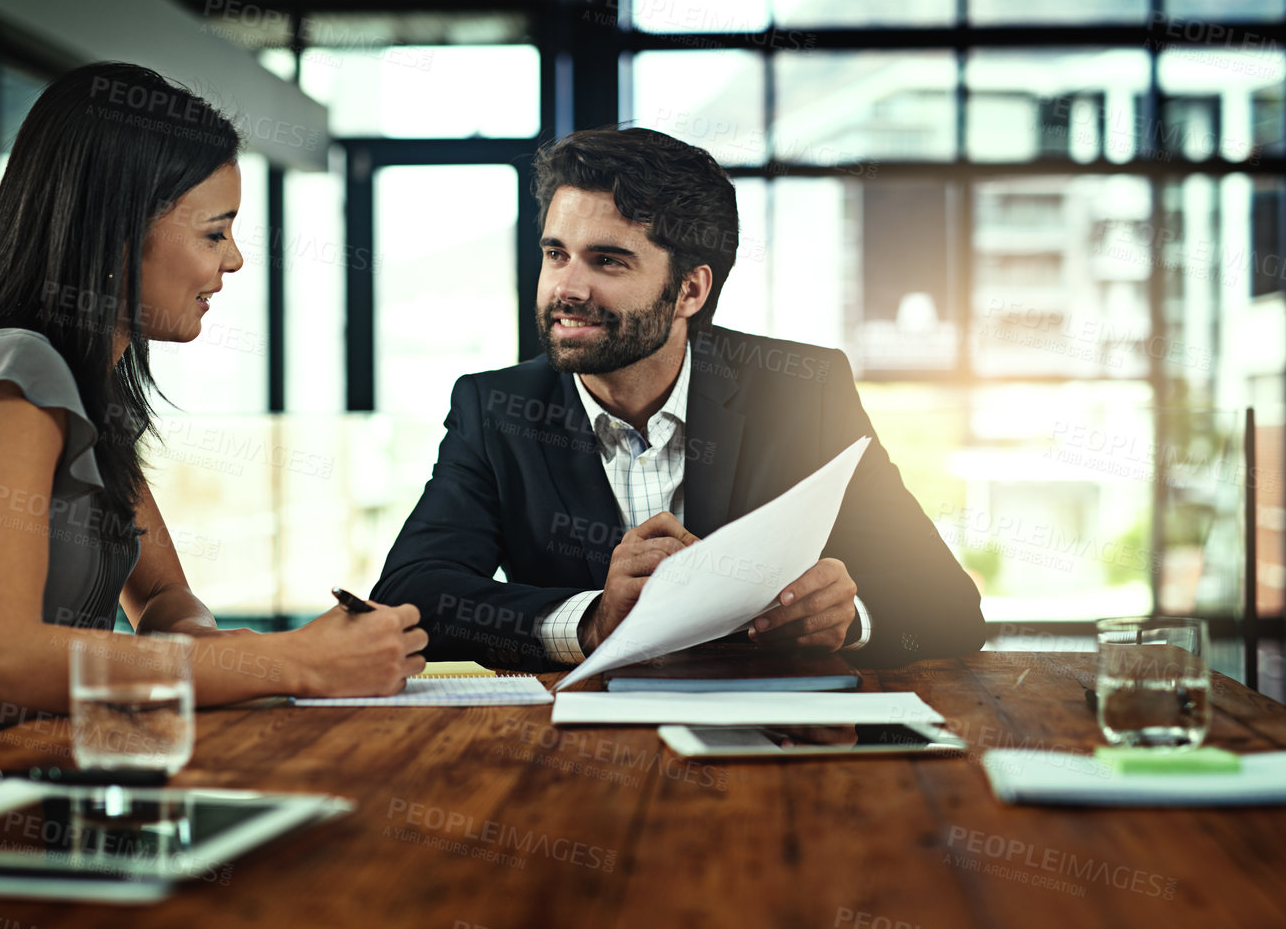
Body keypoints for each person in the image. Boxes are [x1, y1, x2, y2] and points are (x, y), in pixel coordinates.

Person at [0, 63, 424, 834]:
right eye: (213, 232)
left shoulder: (95, 400)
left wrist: (219, 650)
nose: (232, 261)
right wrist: (290, 662)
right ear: (116, 229)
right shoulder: (15, 368)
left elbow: (163, 599)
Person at [373, 125, 984, 671]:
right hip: (573, 755)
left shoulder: (803, 389)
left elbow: (948, 606)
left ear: (689, 289)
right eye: (556, 254)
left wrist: (848, 619)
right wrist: (589, 621)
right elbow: (409, 597)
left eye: (607, 262)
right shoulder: (496, 408)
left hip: (772, 748)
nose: (567, 287)